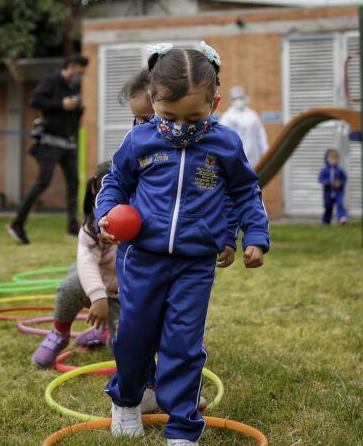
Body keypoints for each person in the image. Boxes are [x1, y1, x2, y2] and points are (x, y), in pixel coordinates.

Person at [95, 42, 271, 445]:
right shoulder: (140, 141)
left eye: (194, 116)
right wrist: (108, 213)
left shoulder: (224, 144)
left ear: (215, 101)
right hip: (141, 258)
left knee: (183, 344)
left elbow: (246, 191)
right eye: (168, 115)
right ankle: (126, 401)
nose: (181, 126)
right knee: (136, 335)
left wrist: (254, 237)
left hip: (195, 264)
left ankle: (183, 427)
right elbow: (115, 182)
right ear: (153, 100)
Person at [31, 161, 119, 367]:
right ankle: (59, 334)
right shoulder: (92, 227)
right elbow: (87, 262)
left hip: (127, 299)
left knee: (123, 350)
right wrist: (98, 297)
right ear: (96, 194)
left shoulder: (144, 222)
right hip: (97, 288)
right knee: (70, 286)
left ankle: (105, 331)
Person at [7, 54, 89, 245]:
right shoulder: (51, 80)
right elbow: (34, 101)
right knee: (43, 181)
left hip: (67, 143)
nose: (80, 76)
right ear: (70, 66)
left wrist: (77, 109)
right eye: (79, 72)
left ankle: (72, 227)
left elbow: (72, 116)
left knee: (74, 183)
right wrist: (61, 104)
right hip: (50, 142)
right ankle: (17, 223)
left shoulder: (73, 87)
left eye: (83, 74)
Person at [218, 86, 268, 168]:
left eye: (240, 98)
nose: (238, 101)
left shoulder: (253, 115)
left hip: (254, 158)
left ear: (245, 98)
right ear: (231, 100)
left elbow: (261, 136)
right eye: (235, 98)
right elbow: (222, 139)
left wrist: (265, 152)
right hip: (235, 159)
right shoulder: (227, 117)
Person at [319, 148, 348, 225]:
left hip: (338, 192)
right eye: (331, 159)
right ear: (327, 159)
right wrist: (329, 182)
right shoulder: (324, 170)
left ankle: (342, 218)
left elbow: (344, 179)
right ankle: (326, 221)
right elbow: (321, 179)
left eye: (335, 159)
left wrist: (340, 183)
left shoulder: (340, 170)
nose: (333, 161)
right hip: (328, 193)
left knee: (340, 204)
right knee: (328, 207)